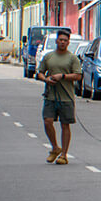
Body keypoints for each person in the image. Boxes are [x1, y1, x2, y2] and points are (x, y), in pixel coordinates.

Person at [37, 29, 82, 165]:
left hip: (66, 97)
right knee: (47, 121)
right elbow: (39, 72)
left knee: (65, 125)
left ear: (68, 42)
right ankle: (55, 147)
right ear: (56, 41)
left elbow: (78, 76)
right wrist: (46, 79)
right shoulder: (49, 56)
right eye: (60, 40)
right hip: (50, 95)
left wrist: (62, 76)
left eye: (65, 40)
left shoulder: (72, 58)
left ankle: (64, 154)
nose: (62, 42)